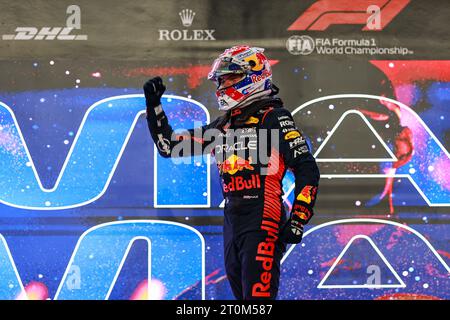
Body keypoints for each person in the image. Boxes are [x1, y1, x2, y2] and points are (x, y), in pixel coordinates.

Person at [144, 46, 320, 300]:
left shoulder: (274, 117)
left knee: (258, 299)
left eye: (230, 78)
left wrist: (298, 217)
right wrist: (154, 107)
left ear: (254, 76)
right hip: (233, 219)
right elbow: (169, 146)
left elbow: (306, 168)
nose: (223, 85)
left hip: (263, 216)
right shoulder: (224, 124)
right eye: (221, 79)